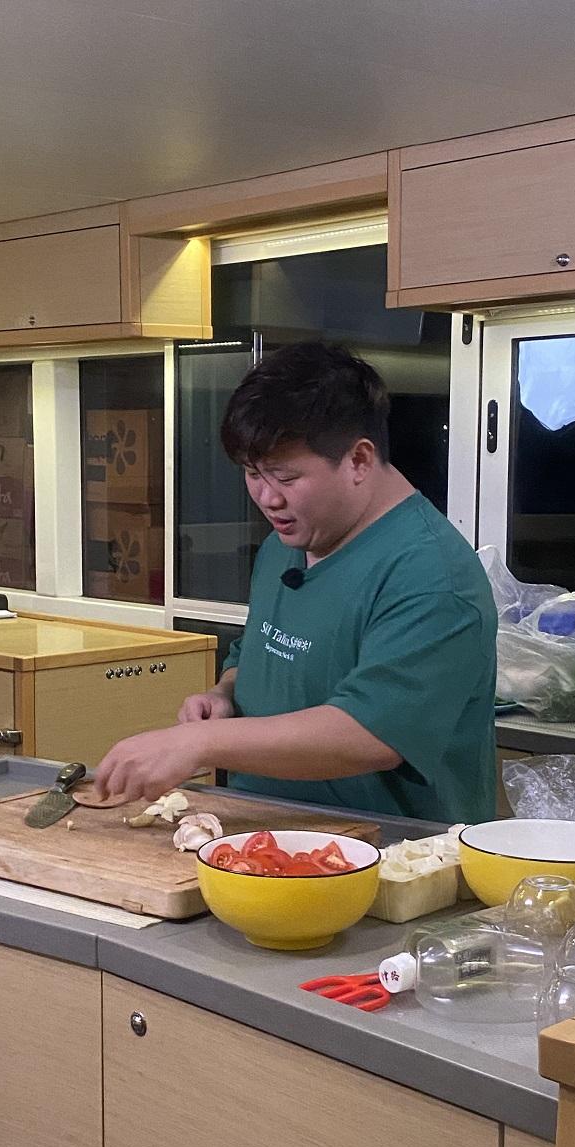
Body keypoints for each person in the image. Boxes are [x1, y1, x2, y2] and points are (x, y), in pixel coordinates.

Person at [94, 341, 497, 823]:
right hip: (258, 829)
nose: (267, 498)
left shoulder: (431, 575)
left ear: (359, 460)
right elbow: (255, 656)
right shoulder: (284, 544)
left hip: (387, 851)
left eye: (285, 477)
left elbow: (370, 735)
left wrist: (198, 742)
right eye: (252, 473)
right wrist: (223, 696)